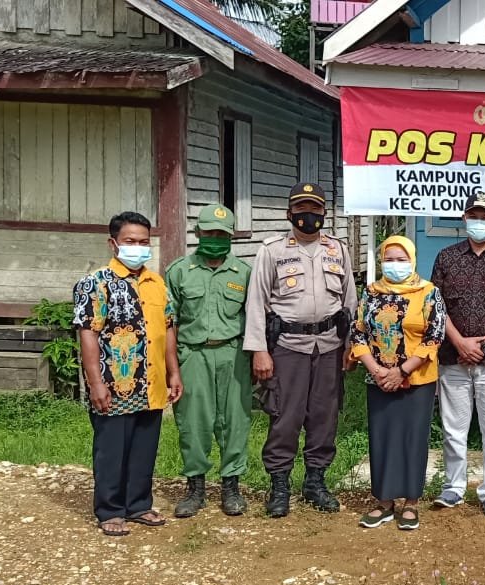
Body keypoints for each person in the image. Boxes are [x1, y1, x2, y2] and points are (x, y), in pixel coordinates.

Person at [244, 182, 357, 517]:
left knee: (324, 416)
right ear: (289, 213)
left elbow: (349, 301)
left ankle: (315, 482)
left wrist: (351, 344)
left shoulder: (338, 249)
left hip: (330, 345)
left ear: (324, 212)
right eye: (301, 208)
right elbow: (256, 302)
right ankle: (279, 484)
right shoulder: (272, 250)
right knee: (285, 416)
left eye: (315, 208)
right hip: (288, 346)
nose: (309, 214)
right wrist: (259, 350)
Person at [74, 212, 183, 536]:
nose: (138, 247)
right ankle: (110, 510)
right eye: (130, 241)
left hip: (151, 384)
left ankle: (138, 504)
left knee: (144, 449)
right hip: (114, 384)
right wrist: (95, 383)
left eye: (143, 242)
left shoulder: (157, 283)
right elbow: (88, 334)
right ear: (113, 243)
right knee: (112, 451)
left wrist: (174, 372)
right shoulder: (96, 283)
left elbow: (167, 329)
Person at [429, 193, 485, 519]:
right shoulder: (446, 257)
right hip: (453, 357)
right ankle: (453, 487)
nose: (479, 222)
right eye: (474, 216)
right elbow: (436, 305)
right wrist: (459, 343)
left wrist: (484, 345)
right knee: (453, 429)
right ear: (464, 218)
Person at [351, 236, 447, 531]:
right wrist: (377, 370)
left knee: (412, 439)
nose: (395, 265)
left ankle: (411, 502)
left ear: (412, 260)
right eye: (389, 259)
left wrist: (401, 372)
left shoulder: (428, 292)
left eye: (401, 259)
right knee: (382, 438)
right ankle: (383, 502)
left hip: (417, 380)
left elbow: (435, 335)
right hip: (377, 379)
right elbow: (358, 332)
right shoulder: (371, 292)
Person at [165, 204, 254, 518]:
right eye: (209, 233)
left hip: (233, 353)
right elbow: (170, 324)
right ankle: (195, 487)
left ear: (230, 236)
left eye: (222, 234)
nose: (215, 238)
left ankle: (231, 486)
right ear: (198, 232)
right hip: (193, 354)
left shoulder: (244, 273)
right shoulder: (179, 271)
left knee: (235, 421)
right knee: (194, 421)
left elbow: (255, 319)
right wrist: (173, 369)